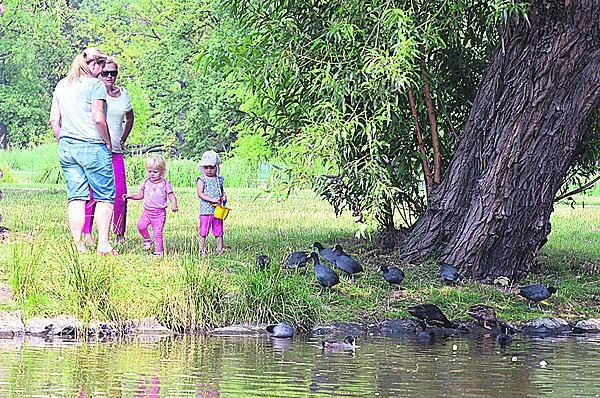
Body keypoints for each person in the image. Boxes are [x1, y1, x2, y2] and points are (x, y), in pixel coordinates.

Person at [49, 47, 117, 255]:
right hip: (92, 145)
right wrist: (108, 141)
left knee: (76, 197)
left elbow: (54, 120)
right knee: (105, 197)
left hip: (67, 146)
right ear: (94, 64)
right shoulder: (95, 85)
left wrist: (63, 137)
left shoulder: (62, 85)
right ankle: (103, 245)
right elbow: (98, 117)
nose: (103, 72)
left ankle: (78, 245)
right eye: (102, 66)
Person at [82, 57, 135, 246]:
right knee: (92, 194)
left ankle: (119, 232)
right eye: (106, 73)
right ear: (100, 73)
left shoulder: (123, 95)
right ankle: (87, 232)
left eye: (114, 73)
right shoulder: (92, 92)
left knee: (120, 194)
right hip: (96, 148)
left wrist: (122, 138)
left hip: (115, 151)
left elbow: (130, 118)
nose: (110, 76)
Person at [124, 154, 178, 255]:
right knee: (141, 226)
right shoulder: (146, 182)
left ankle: (158, 252)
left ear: (162, 171)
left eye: (155, 172)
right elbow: (140, 195)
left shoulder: (165, 183)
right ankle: (147, 239)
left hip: (159, 213)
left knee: (157, 233)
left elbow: (171, 195)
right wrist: (130, 196)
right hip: (147, 212)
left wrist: (174, 204)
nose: (152, 174)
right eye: (149, 171)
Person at [196, 150, 227, 255]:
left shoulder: (219, 179)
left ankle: (219, 249)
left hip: (218, 210)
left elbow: (221, 191)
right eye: (206, 167)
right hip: (206, 210)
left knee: (218, 230)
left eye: (212, 167)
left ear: (217, 166)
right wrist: (211, 199)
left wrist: (224, 196)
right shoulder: (202, 179)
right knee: (203, 231)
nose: (209, 170)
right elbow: (200, 193)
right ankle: (201, 249)